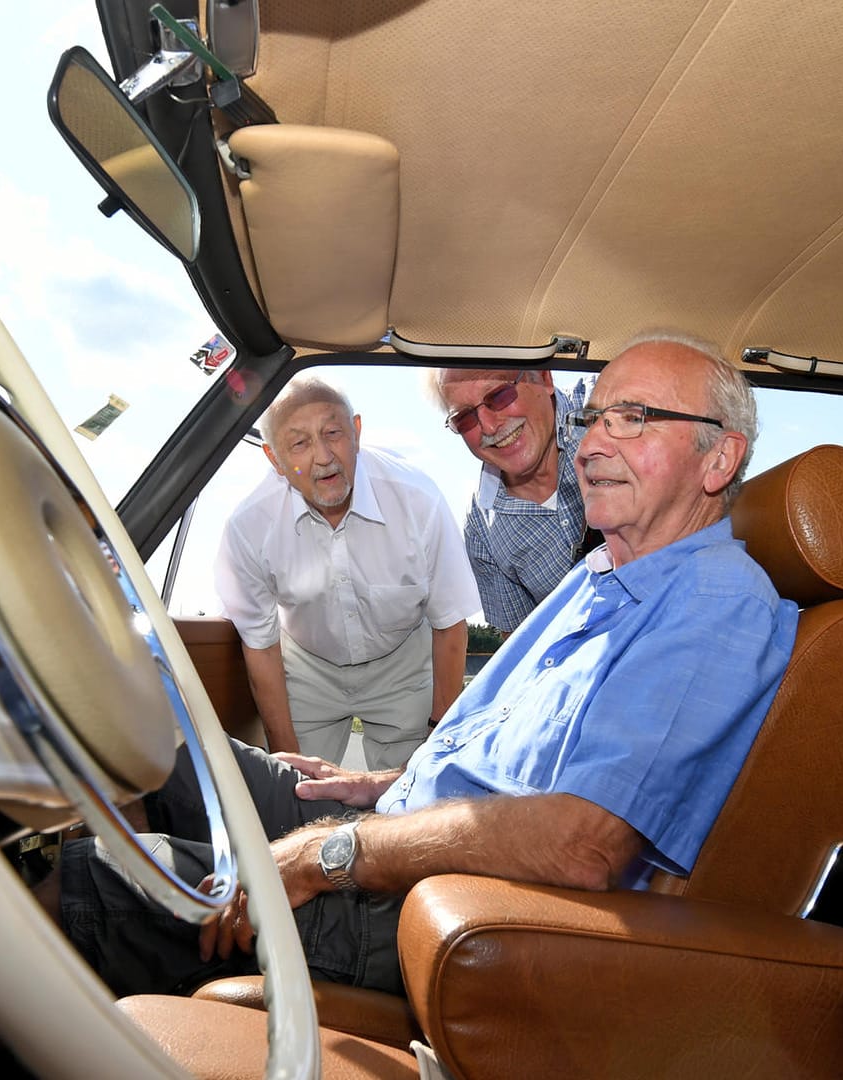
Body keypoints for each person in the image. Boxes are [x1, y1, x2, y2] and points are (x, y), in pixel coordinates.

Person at [50, 334, 800, 998]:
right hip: (406, 828)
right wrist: (383, 787)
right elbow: (510, 761)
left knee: (92, 882)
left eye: (632, 419)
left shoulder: (716, 603)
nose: (590, 445)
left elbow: (583, 844)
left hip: (455, 908)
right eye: (593, 417)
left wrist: (331, 852)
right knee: (164, 750)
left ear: (720, 456)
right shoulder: (602, 571)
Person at [212, 374, 480, 770]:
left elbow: (449, 623)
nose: (323, 456)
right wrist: (289, 761)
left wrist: (439, 731)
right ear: (275, 460)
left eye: (333, 432)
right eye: (300, 443)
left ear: (356, 431)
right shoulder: (249, 525)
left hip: (402, 664)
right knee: (298, 802)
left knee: (410, 800)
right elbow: (261, 647)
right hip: (307, 667)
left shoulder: (418, 499)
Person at [430, 367, 594, 632]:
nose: (489, 426)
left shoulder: (608, 406)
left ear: (544, 378)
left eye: (498, 396)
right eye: (464, 418)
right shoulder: (481, 533)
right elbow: (523, 643)